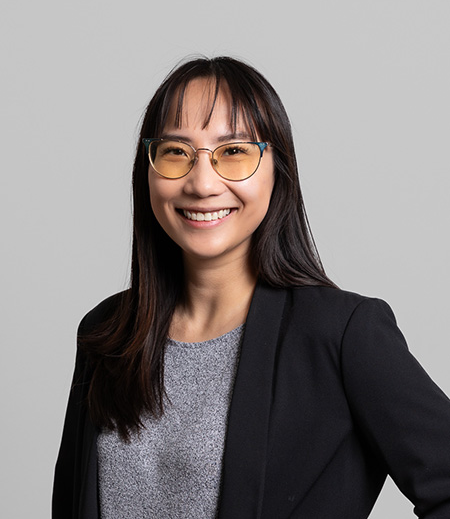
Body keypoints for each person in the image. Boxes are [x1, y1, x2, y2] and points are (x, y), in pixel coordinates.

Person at [52, 56, 450, 519]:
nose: (202, 183)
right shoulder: (108, 332)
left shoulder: (341, 334)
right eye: (176, 151)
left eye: (234, 151)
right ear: (149, 169)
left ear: (278, 168)